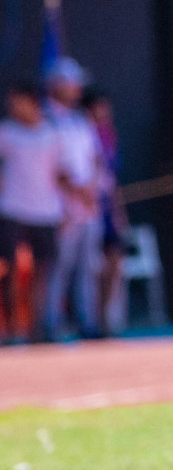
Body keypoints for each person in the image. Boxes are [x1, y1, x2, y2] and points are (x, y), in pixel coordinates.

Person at [0, 79, 70, 343]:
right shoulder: (6, 133)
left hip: (46, 213)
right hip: (12, 211)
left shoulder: (52, 134)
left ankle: (37, 328)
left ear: (31, 102)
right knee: (10, 270)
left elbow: (62, 174)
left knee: (43, 271)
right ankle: (9, 329)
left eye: (17, 101)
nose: (13, 107)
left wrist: (77, 200)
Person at [43, 58, 102, 339]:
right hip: (59, 208)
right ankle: (49, 325)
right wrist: (77, 194)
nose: (77, 88)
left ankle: (86, 323)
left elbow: (93, 159)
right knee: (58, 268)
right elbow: (55, 167)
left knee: (88, 268)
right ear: (56, 86)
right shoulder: (45, 120)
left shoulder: (81, 121)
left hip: (87, 207)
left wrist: (91, 192)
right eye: (71, 82)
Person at [81, 88, 129, 337]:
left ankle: (105, 318)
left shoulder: (108, 135)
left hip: (107, 208)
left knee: (115, 260)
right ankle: (91, 320)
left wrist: (119, 212)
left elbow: (112, 179)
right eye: (100, 108)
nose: (105, 113)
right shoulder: (81, 135)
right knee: (90, 268)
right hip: (87, 209)